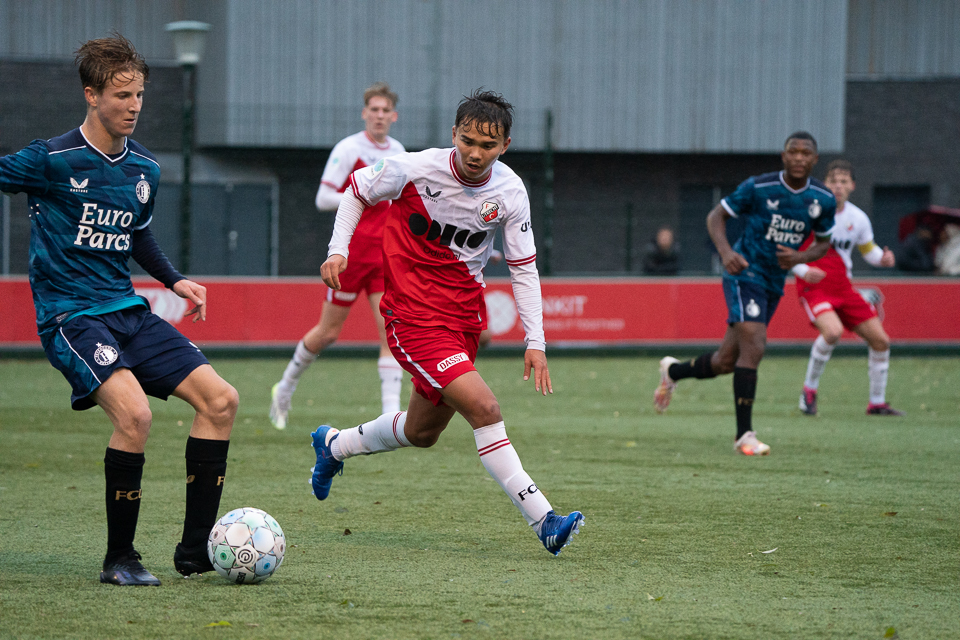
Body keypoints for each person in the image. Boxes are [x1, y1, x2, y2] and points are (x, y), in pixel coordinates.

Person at [0, 34, 238, 585]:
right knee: (135, 416)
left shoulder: (144, 168)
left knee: (221, 401)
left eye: (140, 95)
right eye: (122, 95)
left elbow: (138, 236)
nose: (134, 106)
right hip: (71, 317)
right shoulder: (50, 159)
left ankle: (195, 551)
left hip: (127, 311)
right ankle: (120, 559)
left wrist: (176, 280)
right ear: (92, 95)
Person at [310, 89, 583, 555]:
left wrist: (535, 341)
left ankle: (334, 445)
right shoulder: (415, 168)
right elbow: (355, 190)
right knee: (485, 409)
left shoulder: (510, 192)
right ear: (453, 133)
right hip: (411, 316)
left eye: (488, 145)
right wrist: (339, 250)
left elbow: (523, 268)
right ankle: (545, 520)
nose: (475, 153)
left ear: (505, 146)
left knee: (422, 432)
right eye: (468, 141)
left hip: (462, 321)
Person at [653, 132, 835, 455]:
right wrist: (726, 253)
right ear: (783, 155)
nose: (798, 157)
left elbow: (823, 242)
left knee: (726, 361)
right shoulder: (759, 187)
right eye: (793, 151)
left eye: (805, 153)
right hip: (744, 272)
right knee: (755, 344)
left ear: (815, 159)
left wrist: (800, 257)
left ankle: (673, 371)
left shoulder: (822, 199)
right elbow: (716, 216)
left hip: (773, 281)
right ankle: (744, 436)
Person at [269, 82, 406, 430]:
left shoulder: (398, 152)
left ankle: (390, 417)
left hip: (383, 257)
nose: (379, 116)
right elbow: (323, 198)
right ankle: (284, 388)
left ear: (394, 116)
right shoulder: (349, 149)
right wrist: (365, 195)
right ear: (364, 113)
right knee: (328, 333)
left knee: (391, 332)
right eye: (373, 110)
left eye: (385, 111)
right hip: (348, 257)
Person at [793, 160, 904, 416]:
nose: (838, 186)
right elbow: (788, 252)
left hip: (843, 287)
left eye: (843, 181)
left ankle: (876, 403)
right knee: (832, 332)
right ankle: (809, 390)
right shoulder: (809, 213)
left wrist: (883, 258)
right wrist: (803, 271)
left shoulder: (858, 218)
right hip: (814, 287)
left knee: (881, 341)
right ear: (824, 184)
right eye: (833, 181)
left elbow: (868, 250)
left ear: (852, 186)